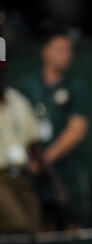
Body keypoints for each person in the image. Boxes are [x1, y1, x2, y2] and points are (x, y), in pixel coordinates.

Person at [19, 28, 92, 231]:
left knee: (74, 225)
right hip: (33, 173)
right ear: (46, 51)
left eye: (69, 50)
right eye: (60, 49)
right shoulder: (27, 86)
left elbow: (78, 128)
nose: (66, 55)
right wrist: (33, 161)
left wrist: (45, 159)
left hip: (67, 171)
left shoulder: (76, 85)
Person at [0, 63, 40, 233]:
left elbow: (33, 141)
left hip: (20, 173)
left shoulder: (16, 99)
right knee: (18, 223)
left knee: (34, 225)